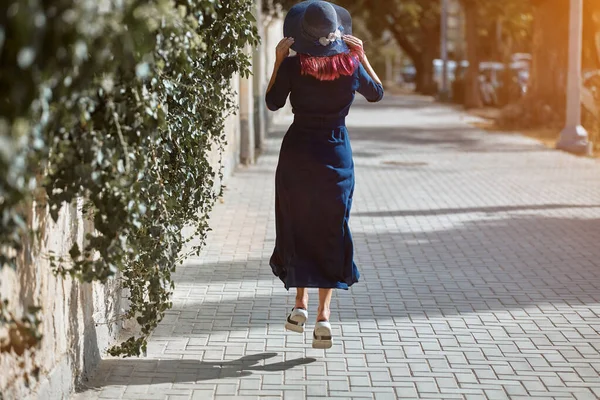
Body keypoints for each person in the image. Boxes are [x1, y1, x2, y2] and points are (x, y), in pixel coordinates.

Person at [265, 0, 384, 349]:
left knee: (299, 225)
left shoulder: (292, 66)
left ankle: (299, 304)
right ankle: (322, 317)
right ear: (338, 34)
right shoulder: (349, 65)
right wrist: (362, 57)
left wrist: (276, 63)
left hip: (298, 152)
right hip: (336, 153)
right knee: (332, 229)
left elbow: (272, 102)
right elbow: (376, 94)